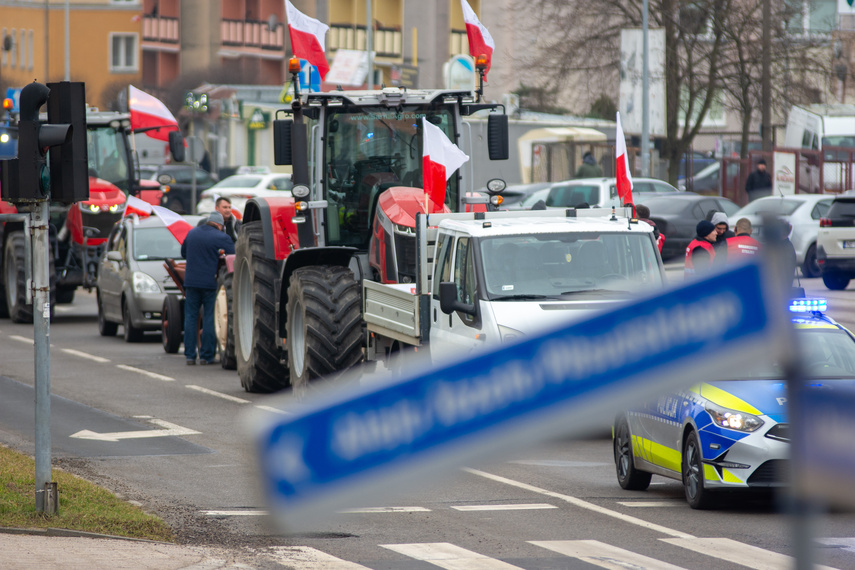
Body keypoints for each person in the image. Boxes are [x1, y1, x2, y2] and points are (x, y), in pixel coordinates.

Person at [180, 212, 235, 365]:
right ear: (219, 225)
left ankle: (190, 356)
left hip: (191, 283)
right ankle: (206, 355)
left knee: (190, 318)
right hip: (210, 283)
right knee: (210, 318)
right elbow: (233, 257)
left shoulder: (191, 233)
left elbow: (183, 253)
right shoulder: (221, 237)